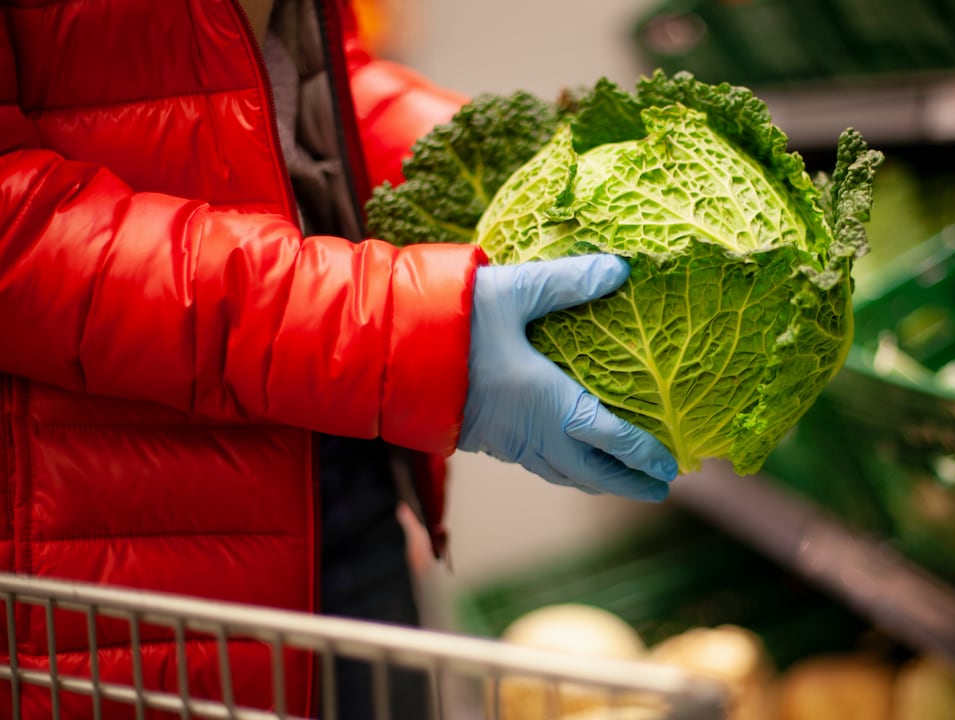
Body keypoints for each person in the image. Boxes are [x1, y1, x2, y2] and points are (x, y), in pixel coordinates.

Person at [0, 0, 678, 716]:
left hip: (337, 442)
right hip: (108, 518)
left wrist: (527, 171)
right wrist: (392, 332)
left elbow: (291, 78)